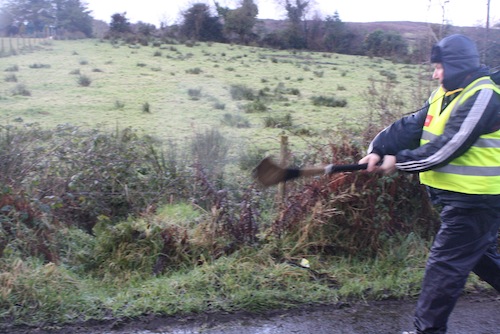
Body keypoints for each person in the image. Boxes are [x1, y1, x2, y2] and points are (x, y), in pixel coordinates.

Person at [358, 34, 500, 334]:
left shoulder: (485, 94)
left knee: (445, 264)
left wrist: (397, 162)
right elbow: (411, 126)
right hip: (457, 197)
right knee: (479, 256)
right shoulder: (445, 92)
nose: (435, 73)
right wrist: (378, 149)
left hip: (478, 199)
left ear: (458, 66)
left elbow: (447, 148)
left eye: (439, 67)